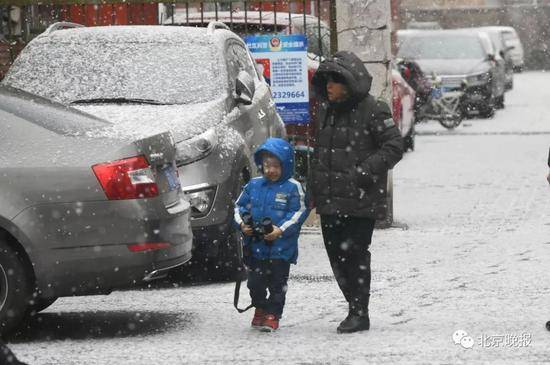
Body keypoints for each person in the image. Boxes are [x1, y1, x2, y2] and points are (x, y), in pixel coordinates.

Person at [309, 51, 404, 334]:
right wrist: (314, 187)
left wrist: (364, 172)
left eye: (336, 81)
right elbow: (321, 153)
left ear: (350, 83)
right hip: (329, 200)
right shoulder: (325, 110)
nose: (329, 87)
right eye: (326, 81)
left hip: (359, 200)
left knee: (356, 255)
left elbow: (394, 146)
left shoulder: (374, 109)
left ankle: (359, 311)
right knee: (335, 255)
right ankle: (354, 304)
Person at [234, 138, 309, 332]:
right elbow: (238, 206)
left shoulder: (293, 187)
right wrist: (242, 224)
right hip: (256, 247)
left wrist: (280, 230)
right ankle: (260, 307)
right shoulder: (254, 184)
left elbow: (299, 212)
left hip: (281, 249)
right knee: (254, 284)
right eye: (267, 166)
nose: (270, 170)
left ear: (286, 165)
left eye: (276, 166)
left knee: (277, 284)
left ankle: (273, 315)